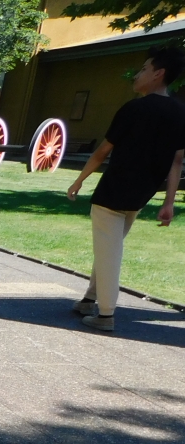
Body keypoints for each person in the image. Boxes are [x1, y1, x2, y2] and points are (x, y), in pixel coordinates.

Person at [67, 46, 185, 332]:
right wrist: (168, 203)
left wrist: (79, 180)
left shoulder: (133, 108)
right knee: (109, 247)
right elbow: (177, 161)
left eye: (144, 69)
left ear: (159, 74)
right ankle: (89, 299)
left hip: (112, 191)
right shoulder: (180, 112)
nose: (137, 75)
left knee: (109, 252)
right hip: (141, 195)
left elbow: (102, 152)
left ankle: (105, 314)